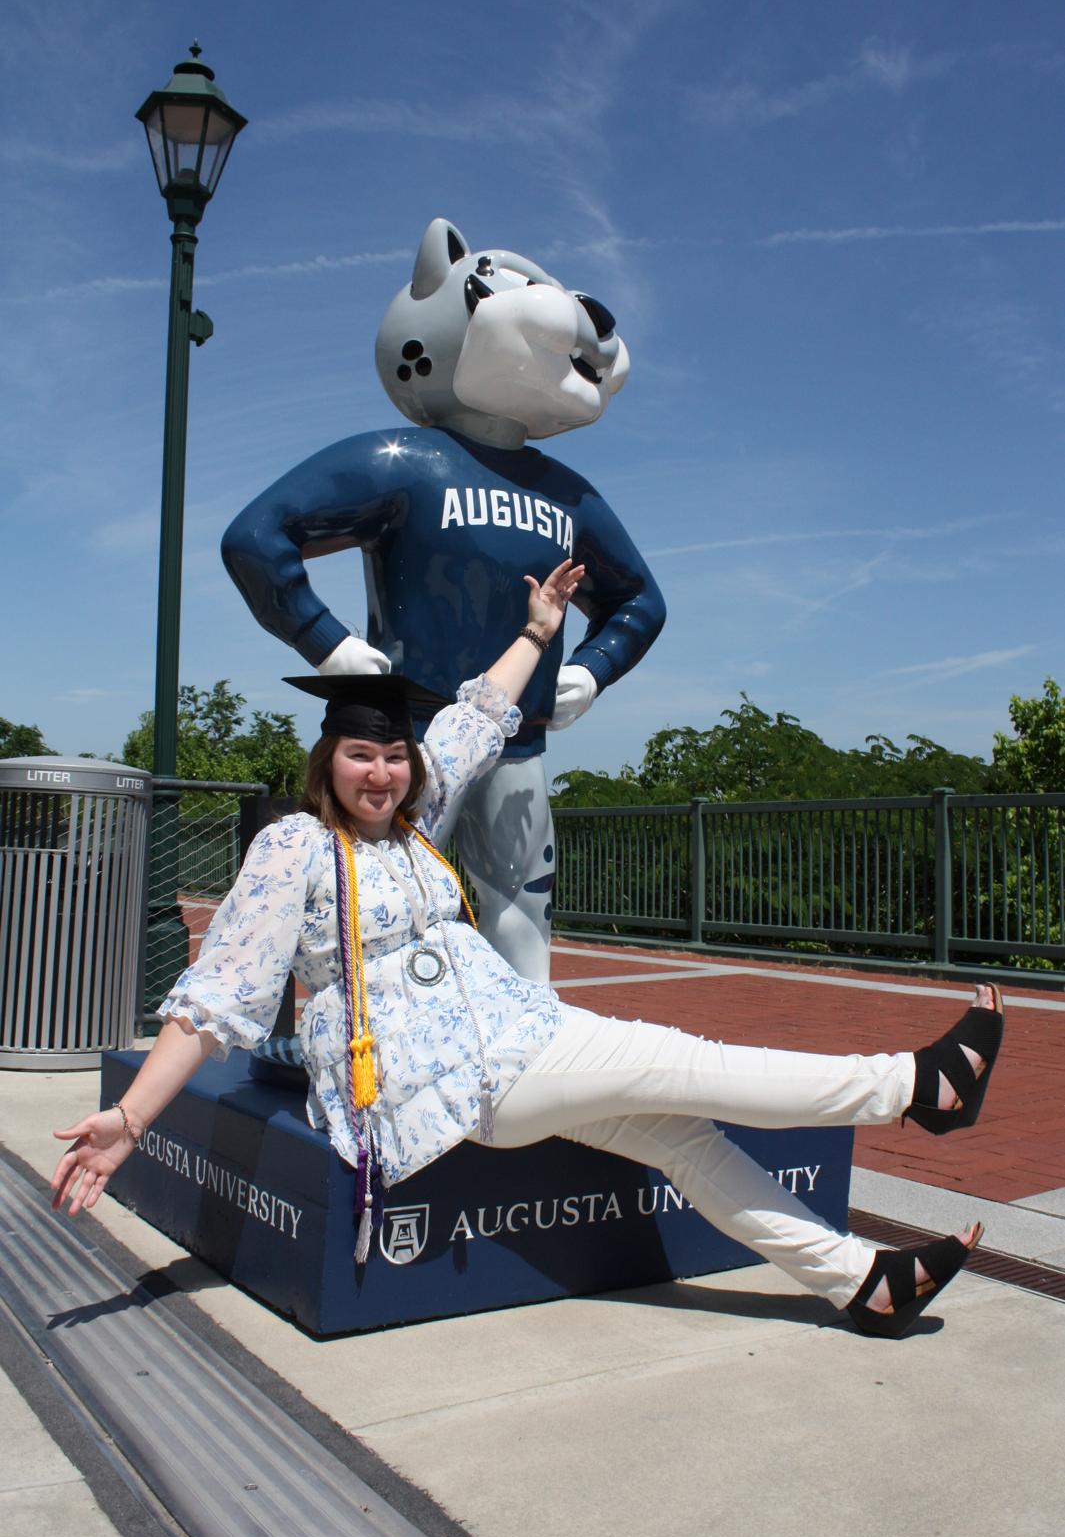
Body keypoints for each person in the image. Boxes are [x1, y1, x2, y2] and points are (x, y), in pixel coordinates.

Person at [52, 561, 1004, 1339]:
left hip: (518, 1035)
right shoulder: (296, 846)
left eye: (392, 756)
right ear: (326, 760)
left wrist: (539, 632)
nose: (380, 771)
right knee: (691, 1063)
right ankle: (913, 1087)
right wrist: (131, 1121)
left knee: (681, 1137)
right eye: (359, 755)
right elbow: (215, 997)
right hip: (461, 1073)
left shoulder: (414, 827)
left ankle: (859, 1283)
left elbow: (470, 726)